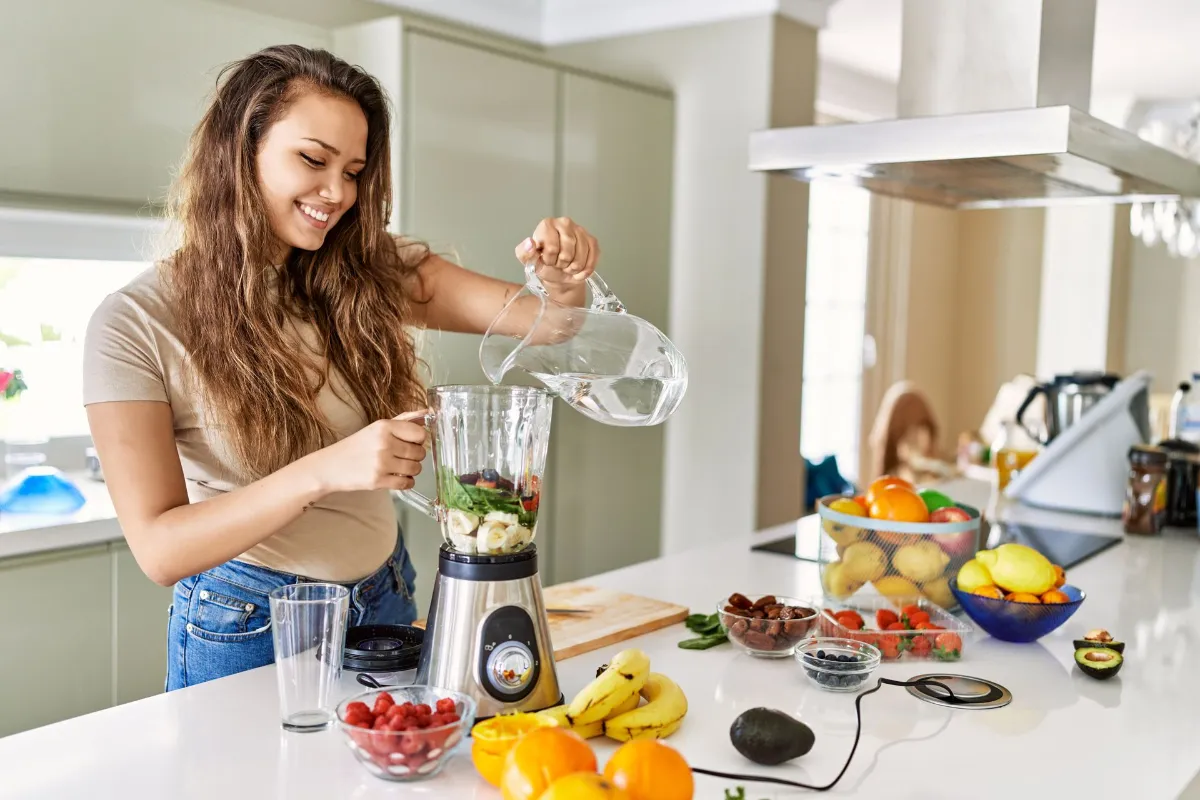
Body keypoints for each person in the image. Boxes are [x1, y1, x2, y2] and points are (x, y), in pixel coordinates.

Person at [82, 44, 600, 691]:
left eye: (354, 170)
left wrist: (563, 280)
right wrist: (328, 469)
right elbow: (160, 550)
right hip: (251, 622)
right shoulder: (135, 322)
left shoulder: (369, 269)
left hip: (385, 595)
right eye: (312, 159)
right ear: (239, 152)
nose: (338, 193)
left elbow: (552, 323)